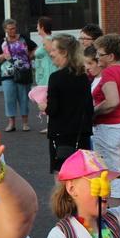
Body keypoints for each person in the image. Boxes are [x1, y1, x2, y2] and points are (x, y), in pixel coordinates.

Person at [91, 34, 120, 205]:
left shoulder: (109, 72)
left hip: (109, 129)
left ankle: (115, 217)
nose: (96, 57)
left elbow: (112, 101)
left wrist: (92, 112)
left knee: (110, 177)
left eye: (100, 54)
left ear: (110, 56)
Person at [40, 34, 93, 173]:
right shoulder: (83, 77)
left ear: (64, 52)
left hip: (61, 135)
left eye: (54, 50)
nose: (51, 53)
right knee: (82, 175)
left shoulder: (56, 77)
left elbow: (53, 109)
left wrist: (44, 106)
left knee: (62, 175)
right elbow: (89, 108)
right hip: (81, 134)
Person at [0, 19, 33, 132]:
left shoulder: (23, 38)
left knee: (23, 97)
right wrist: (3, 56)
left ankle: (25, 123)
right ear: (5, 30)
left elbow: (35, 49)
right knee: (9, 98)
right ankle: (11, 123)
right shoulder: (2, 42)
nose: (13, 30)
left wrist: (28, 58)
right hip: (7, 74)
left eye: (14, 28)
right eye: (10, 29)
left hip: (23, 72)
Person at [34, 16, 58, 89]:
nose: (36, 28)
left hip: (47, 73)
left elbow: (53, 56)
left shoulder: (47, 40)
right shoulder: (46, 39)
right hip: (44, 74)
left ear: (42, 27)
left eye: (38, 26)